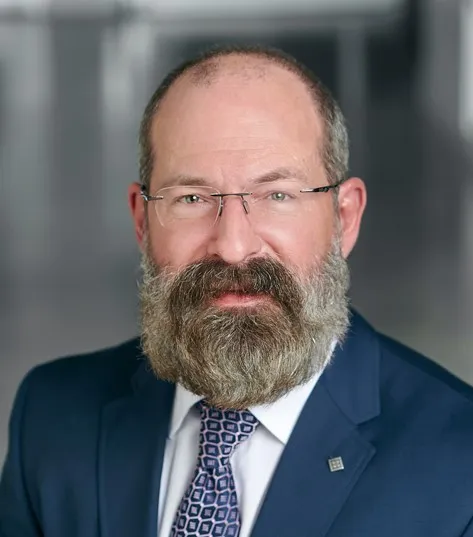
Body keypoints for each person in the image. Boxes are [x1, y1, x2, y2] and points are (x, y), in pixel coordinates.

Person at [1, 44, 473, 537]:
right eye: (191, 198)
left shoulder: (461, 469)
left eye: (277, 195)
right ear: (142, 221)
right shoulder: (51, 418)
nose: (233, 246)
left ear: (344, 218)